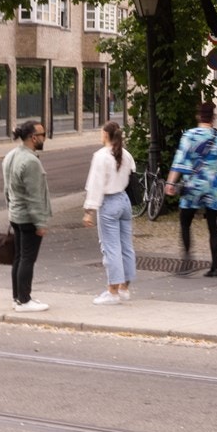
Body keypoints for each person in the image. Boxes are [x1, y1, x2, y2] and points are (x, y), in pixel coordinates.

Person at [168, 101, 217, 278]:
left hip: (192, 186)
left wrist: (170, 183)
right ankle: (215, 266)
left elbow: (179, 162)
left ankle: (187, 260)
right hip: (213, 187)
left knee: (185, 222)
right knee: (212, 226)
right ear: (213, 118)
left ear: (198, 116)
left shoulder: (189, 136)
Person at [82, 120, 137, 304]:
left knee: (110, 247)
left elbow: (95, 184)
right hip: (124, 200)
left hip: (109, 202)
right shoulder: (126, 154)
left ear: (105, 134)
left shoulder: (101, 156)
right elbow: (132, 173)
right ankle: (124, 288)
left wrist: (89, 210)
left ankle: (112, 291)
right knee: (126, 246)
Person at [2, 121, 52, 312]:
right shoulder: (31, 162)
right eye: (43, 135)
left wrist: (10, 208)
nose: (44, 138)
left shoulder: (11, 155)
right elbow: (34, 196)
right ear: (33, 137)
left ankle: (17, 298)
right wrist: (40, 222)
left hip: (16, 214)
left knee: (19, 257)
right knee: (27, 259)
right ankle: (24, 300)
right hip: (28, 217)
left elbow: (6, 188)